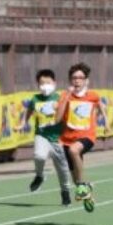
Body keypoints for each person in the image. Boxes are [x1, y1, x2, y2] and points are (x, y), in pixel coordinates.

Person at [56, 63, 106, 213]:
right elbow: (57, 119)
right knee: (75, 179)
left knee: (74, 150)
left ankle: (83, 185)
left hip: (87, 136)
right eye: (74, 78)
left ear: (86, 80)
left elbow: (100, 105)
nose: (77, 81)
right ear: (70, 80)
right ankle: (86, 192)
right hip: (67, 138)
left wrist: (107, 121)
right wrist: (65, 99)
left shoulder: (92, 96)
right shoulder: (64, 96)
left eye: (80, 78)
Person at [25, 69, 72, 206]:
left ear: (54, 83)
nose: (45, 85)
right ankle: (39, 176)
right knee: (39, 156)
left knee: (62, 170)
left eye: (48, 82)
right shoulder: (35, 99)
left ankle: (65, 192)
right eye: (42, 83)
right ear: (38, 84)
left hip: (58, 138)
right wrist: (23, 123)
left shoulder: (59, 98)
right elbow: (29, 111)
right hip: (42, 135)